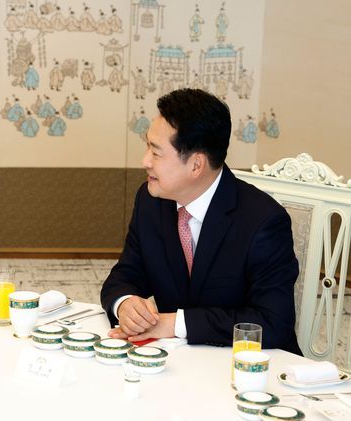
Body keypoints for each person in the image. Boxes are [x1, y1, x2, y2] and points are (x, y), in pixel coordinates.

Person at [100, 88, 301, 354]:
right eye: (147, 146)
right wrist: (125, 304)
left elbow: (273, 322)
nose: (144, 161)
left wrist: (176, 324)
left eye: (156, 153)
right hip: (178, 360)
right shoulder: (151, 201)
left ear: (196, 165)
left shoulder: (263, 221)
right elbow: (125, 275)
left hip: (247, 364)